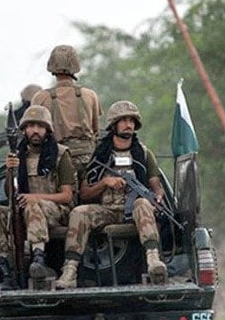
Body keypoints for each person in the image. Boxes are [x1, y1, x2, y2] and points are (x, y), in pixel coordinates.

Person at [55, 100, 167, 289]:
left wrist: (156, 197)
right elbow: (85, 192)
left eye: (131, 120)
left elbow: (156, 186)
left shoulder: (144, 154)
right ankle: (70, 271)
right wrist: (104, 183)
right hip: (107, 210)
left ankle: (153, 261)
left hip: (134, 211)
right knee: (79, 212)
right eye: (123, 120)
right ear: (114, 125)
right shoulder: (100, 155)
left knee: (143, 204)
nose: (128, 125)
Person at [0, 105, 76, 289]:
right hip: (25, 209)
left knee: (32, 205)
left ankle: (38, 257)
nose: (35, 130)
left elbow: (67, 196)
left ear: (47, 129)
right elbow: (11, 194)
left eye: (40, 126)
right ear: (24, 130)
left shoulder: (60, 154)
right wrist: (11, 170)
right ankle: (5, 268)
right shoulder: (18, 155)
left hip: (56, 211)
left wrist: (34, 197)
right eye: (30, 126)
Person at [31, 45, 103, 183]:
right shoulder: (90, 95)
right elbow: (95, 131)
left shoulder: (40, 98)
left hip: (55, 159)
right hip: (87, 160)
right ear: (76, 65)